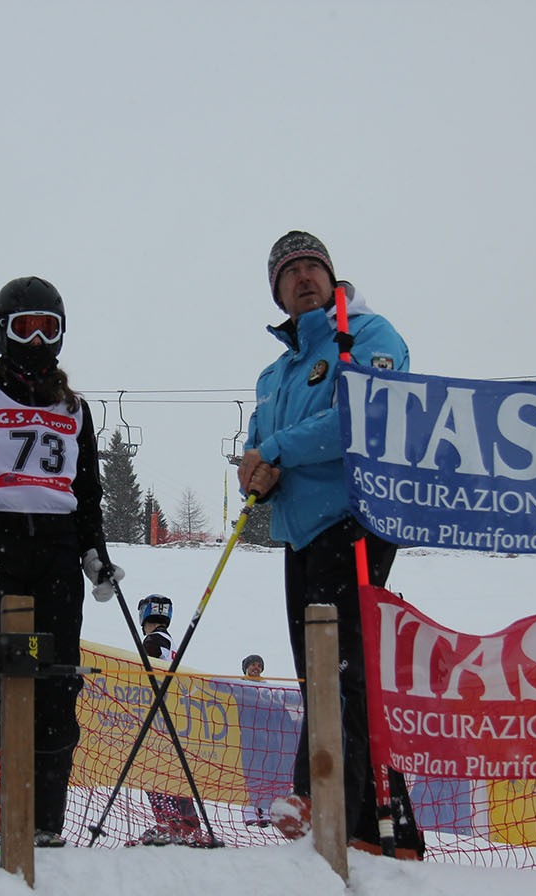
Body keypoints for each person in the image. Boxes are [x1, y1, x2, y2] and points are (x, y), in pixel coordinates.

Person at [238, 230, 425, 856]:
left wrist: (277, 449)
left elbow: (363, 416)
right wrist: (255, 471)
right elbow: (258, 442)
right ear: (277, 292)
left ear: (331, 274)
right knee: (322, 671)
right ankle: (380, 825)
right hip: (299, 532)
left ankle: (329, 803)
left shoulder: (368, 334)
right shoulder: (275, 372)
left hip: (355, 519)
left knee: (339, 666)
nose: (302, 278)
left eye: (311, 266)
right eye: (288, 273)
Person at [0, 276, 120, 859]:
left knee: (54, 682)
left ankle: (43, 823)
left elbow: (87, 493)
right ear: (1, 332)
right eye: (24, 328)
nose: (36, 341)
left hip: (56, 552)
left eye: (47, 329)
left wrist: (94, 552)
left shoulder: (73, 409)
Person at [133, 594, 202, 846]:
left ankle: (170, 823)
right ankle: (186, 822)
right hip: (169, 713)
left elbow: (147, 669)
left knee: (155, 770)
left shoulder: (154, 640)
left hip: (157, 714)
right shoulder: (168, 640)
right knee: (170, 769)